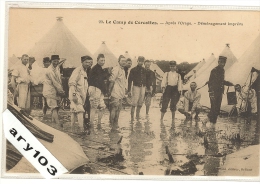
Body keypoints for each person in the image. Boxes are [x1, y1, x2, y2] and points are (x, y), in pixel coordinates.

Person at [69, 55, 92, 133]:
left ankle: (72, 129)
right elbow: (72, 82)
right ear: (82, 62)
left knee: (74, 111)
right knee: (80, 111)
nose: (88, 64)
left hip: (81, 95)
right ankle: (81, 129)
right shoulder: (77, 70)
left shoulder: (84, 71)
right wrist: (74, 95)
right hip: (75, 93)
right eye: (86, 62)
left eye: (89, 62)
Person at [208, 56, 234, 124]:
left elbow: (221, 81)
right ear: (218, 62)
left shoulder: (223, 70)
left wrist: (228, 83)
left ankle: (212, 123)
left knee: (217, 108)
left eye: (224, 63)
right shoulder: (214, 70)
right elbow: (210, 82)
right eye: (221, 62)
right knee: (214, 108)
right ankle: (210, 122)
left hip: (220, 92)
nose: (223, 64)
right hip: (214, 92)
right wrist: (211, 92)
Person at [88, 54, 111, 126]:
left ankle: (98, 123)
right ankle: (92, 124)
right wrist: (107, 72)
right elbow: (100, 79)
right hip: (94, 88)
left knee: (102, 106)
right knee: (94, 107)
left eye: (104, 60)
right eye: (101, 60)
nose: (103, 62)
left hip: (98, 89)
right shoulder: (95, 68)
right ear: (97, 60)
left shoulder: (100, 68)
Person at [43, 55, 65, 126]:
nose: (56, 62)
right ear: (51, 62)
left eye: (57, 61)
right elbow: (54, 82)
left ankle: (53, 123)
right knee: (54, 107)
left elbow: (59, 80)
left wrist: (60, 89)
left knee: (56, 107)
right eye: (54, 61)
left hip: (56, 90)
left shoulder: (57, 68)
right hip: (50, 90)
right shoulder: (49, 70)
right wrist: (61, 91)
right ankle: (57, 123)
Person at [108, 55, 127, 131]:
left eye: (125, 61)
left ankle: (115, 125)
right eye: (122, 61)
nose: (124, 62)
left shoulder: (123, 70)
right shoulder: (116, 69)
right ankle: (111, 125)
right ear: (118, 61)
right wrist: (109, 92)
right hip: (115, 92)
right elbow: (112, 81)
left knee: (118, 109)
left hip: (121, 93)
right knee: (114, 109)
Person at [128, 56, 148, 120]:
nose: (141, 62)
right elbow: (129, 80)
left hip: (143, 87)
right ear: (138, 61)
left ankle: (137, 116)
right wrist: (129, 90)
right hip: (136, 87)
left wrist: (146, 88)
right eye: (140, 61)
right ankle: (132, 118)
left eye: (142, 61)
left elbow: (146, 79)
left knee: (140, 102)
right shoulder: (133, 70)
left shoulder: (144, 70)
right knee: (134, 102)